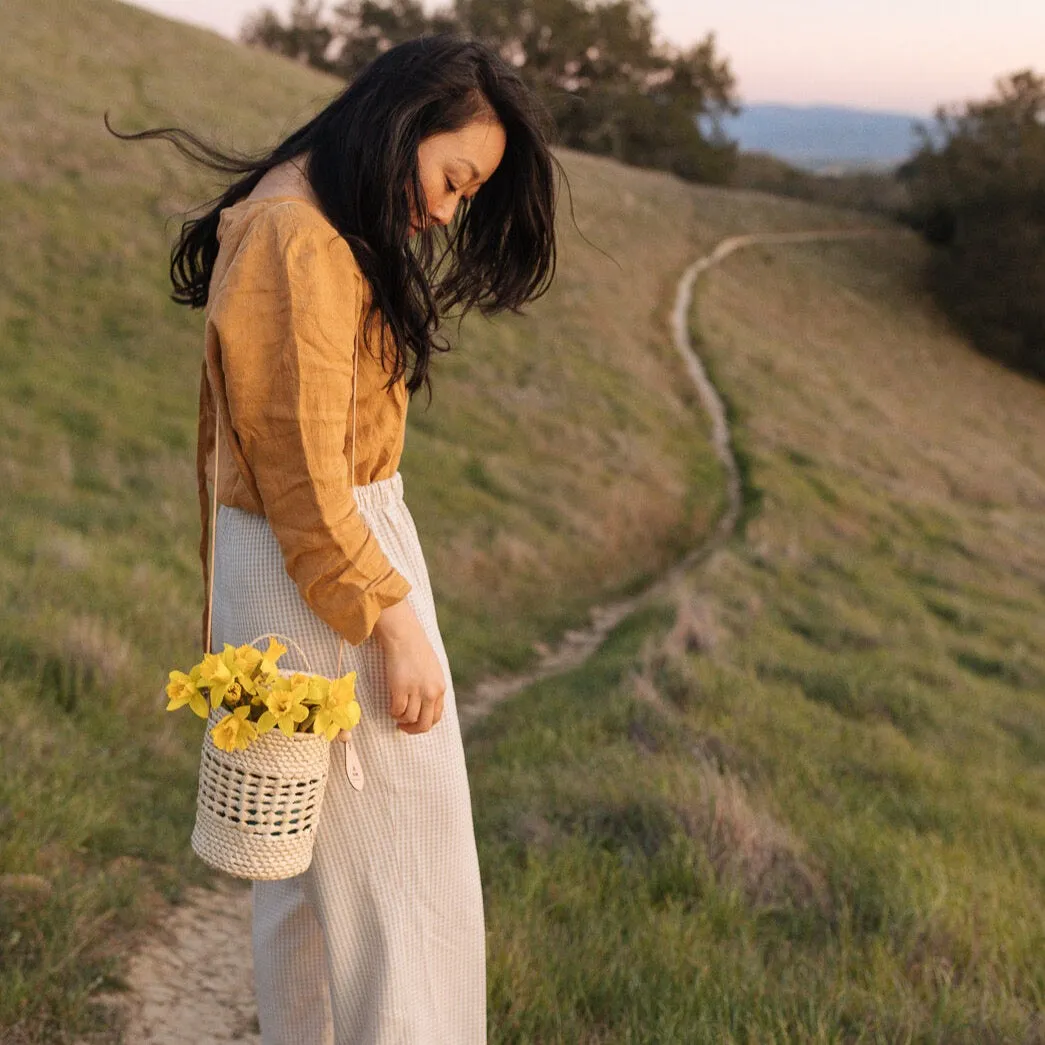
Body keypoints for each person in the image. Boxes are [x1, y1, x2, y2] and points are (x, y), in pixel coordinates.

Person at [109, 34, 559, 1044]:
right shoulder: (293, 234)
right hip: (331, 575)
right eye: (452, 177)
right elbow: (304, 479)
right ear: (401, 123)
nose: (448, 210)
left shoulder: (307, 221)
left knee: (328, 894)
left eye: (467, 195)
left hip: (323, 560)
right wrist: (393, 616)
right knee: (398, 878)